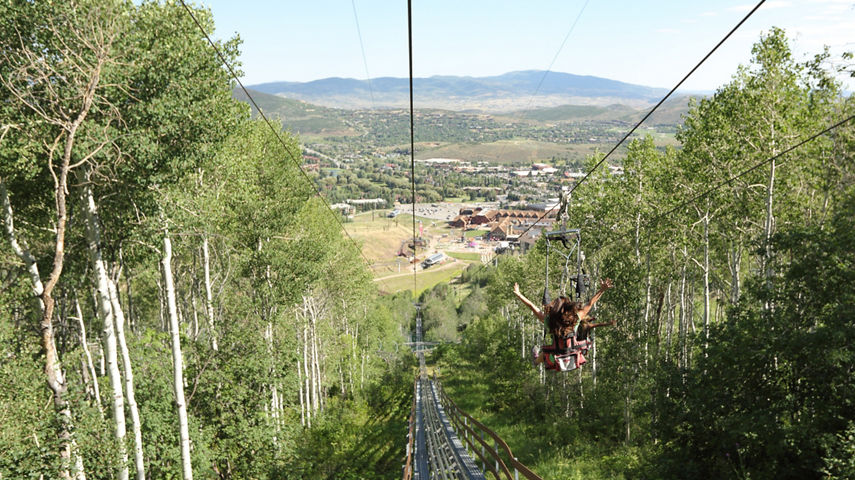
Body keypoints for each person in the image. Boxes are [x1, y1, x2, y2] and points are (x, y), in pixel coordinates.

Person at [513, 278, 614, 370]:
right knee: (586, 339)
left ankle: (536, 361)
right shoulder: (575, 320)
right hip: (574, 354)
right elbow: (590, 303)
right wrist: (602, 290)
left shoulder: (549, 321)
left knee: (545, 353)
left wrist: (519, 294)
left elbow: (532, 306)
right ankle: (538, 360)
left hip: (555, 357)